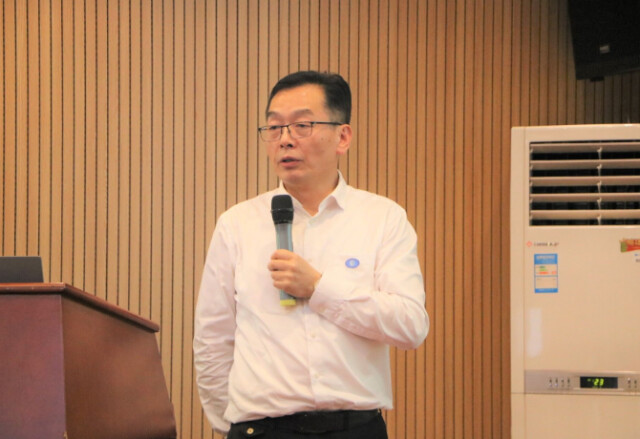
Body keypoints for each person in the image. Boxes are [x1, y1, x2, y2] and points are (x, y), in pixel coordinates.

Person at [194, 70, 429, 439]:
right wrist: (229, 428)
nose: (285, 140)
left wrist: (319, 288)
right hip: (261, 430)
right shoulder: (237, 224)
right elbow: (213, 340)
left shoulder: (382, 218)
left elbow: (410, 325)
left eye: (302, 126)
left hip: (355, 429)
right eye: (274, 127)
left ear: (342, 136)